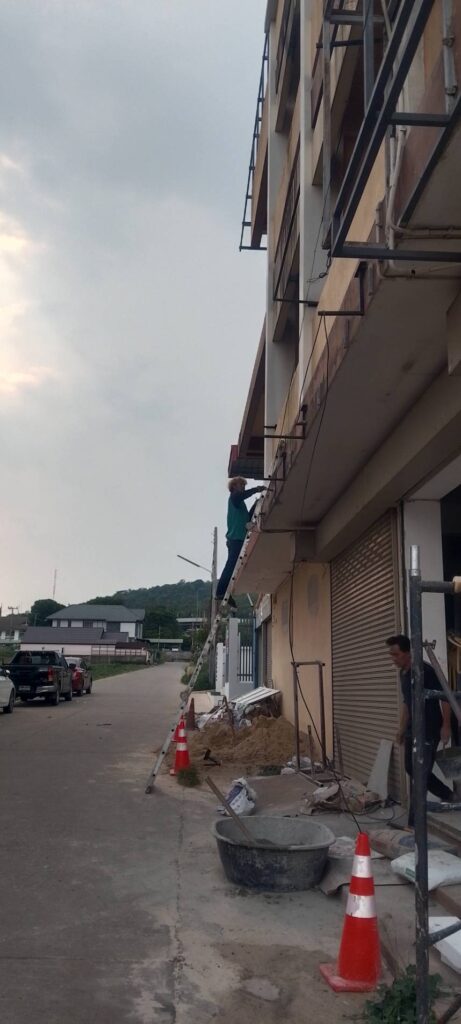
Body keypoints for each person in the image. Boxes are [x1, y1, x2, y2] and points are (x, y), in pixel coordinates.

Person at [386, 633, 453, 826]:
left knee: (421, 774)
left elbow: (445, 698)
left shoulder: (425, 671)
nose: (393, 658)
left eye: (396, 654)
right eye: (391, 654)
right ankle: (448, 794)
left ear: (407, 652)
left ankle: (413, 824)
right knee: (411, 768)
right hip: (412, 729)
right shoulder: (403, 674)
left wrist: (446, 726)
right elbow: (407, 703)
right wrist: (401, 729)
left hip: (429, 729)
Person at [216, 476, 266, 607]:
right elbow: (241, 496)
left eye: (244, 486)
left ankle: (224, 593)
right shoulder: (234, 498)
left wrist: (256, 504)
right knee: (231, 565)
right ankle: (220, 592)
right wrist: (256, 489)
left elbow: (247, 518)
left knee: (233, 567)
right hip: (235, 538)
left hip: (238, 538)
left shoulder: (240, 504)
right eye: (241, 485)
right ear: (234, 487)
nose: (243, 487)